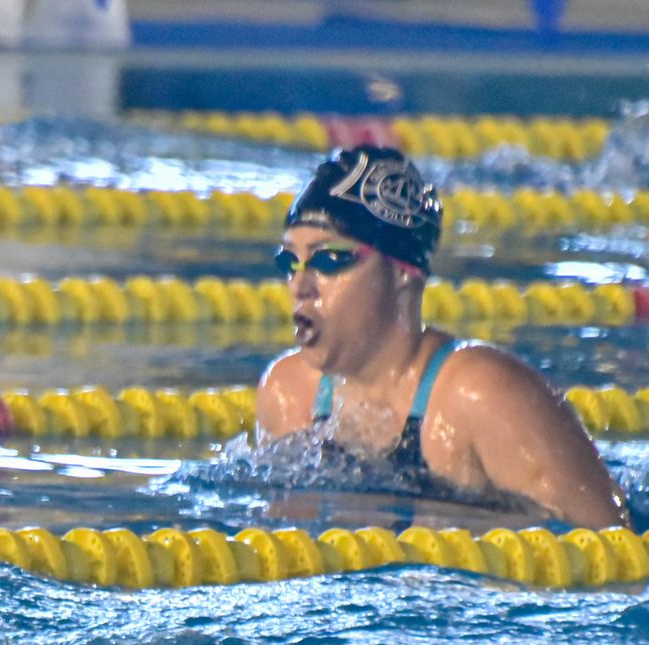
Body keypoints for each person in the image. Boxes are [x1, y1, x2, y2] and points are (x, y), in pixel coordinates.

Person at [255, 145, 630, 530]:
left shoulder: (482, 394)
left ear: (403, 271)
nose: (300, 285)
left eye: (329, 259)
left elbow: (611, 549)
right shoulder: (290, 394)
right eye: (289, 262)